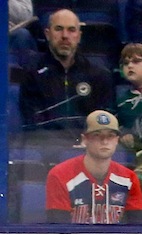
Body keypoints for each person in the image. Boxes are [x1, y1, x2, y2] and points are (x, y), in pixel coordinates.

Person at [18, 9, 115, 147]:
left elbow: (105, 120)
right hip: (46, 149)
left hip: (89, 150)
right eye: (58, 29)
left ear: (79, 36)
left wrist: (89, 140)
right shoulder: (32, 74)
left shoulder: (99, 75)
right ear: (47, 34)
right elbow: (33, 123)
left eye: (71, 30)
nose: (65, 36)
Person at [45, 110, 142, 224]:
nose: (105, 141)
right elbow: (58, 231)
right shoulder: (60, 175)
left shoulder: (129, 178)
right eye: (97, 135)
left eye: (111, 135)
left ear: (117, 140)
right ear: (85, 139)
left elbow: (137, 229)